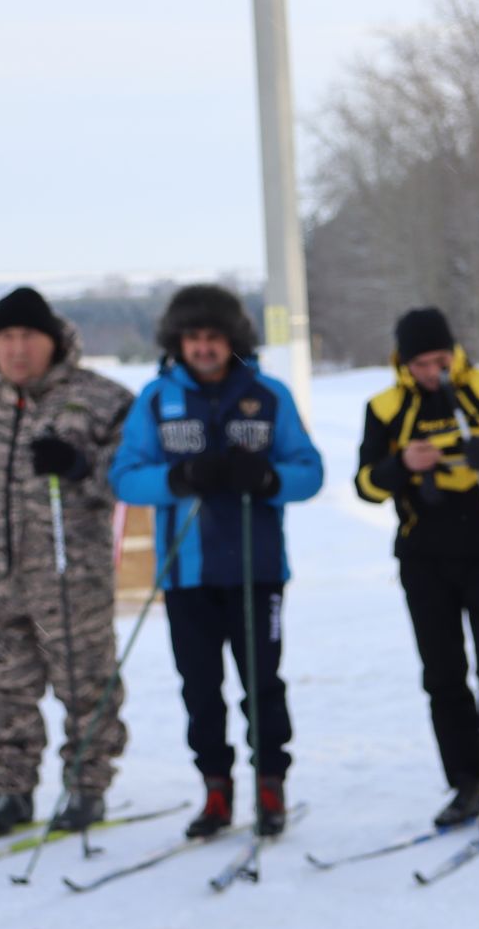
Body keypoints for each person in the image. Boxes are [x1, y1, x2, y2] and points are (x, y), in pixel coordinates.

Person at [0, 287, 136, 834]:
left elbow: (130, 476)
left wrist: (82, 466)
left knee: (86, 684)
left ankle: (86, 789)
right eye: (5, 338)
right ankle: (11, 792)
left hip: (70, 576)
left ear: (52, 341)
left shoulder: (100, 397)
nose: (17, 349)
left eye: (28, 337)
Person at [110, 284, 325, 838]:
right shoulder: (157, 400)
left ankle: (271, 782)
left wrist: (270, 478)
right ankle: (215, 789)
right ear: (177, 343)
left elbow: (310, 471)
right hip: (186, 572)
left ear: (232, 340)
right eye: (193, 338)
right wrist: (177, 479)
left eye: (213, 337)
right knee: (200, 687)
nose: (203, 348)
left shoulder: (268, 395)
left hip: (257, 569)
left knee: (263, 683)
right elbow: (126, 477)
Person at [355, 306, 479, 833]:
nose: (433, 371)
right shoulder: (386, 406)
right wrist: (403, 467)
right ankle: (465, 783)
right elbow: (366, 483)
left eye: (441, 359)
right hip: (424, 558)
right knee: (442, 676)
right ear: (403, 361)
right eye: (422, 362)